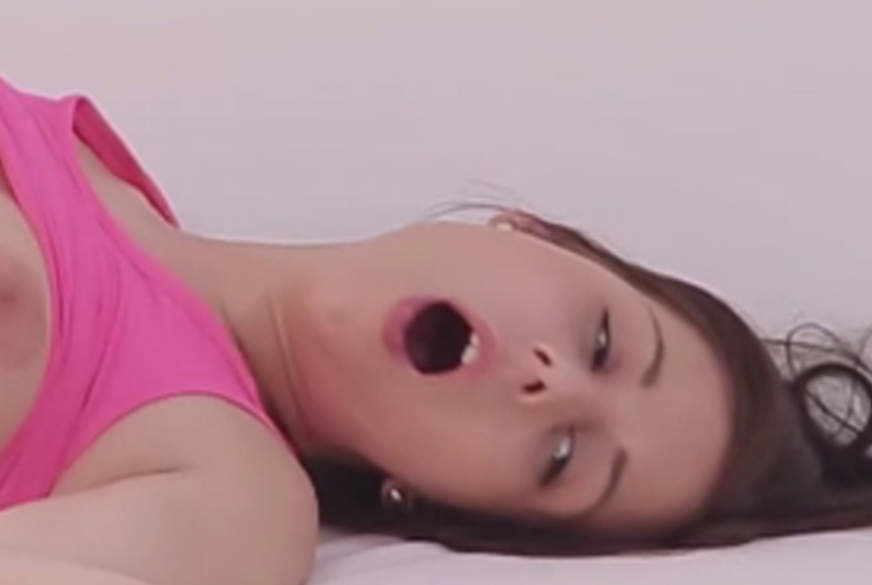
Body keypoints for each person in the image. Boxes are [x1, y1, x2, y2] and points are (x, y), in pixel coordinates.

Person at [0, 76, 870, 585]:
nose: (552, 383)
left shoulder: (238, 496)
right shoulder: (68, 141)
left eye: (561, 456)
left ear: (419, 498)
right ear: (535, 235)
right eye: (604, 343)